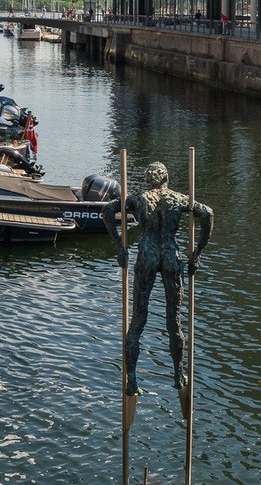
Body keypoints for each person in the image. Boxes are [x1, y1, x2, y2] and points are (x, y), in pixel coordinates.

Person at [104, 161, 214, 398]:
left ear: (147, 179)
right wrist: (197, 254)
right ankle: (178, 373)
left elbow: (107, 210)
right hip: (170, 254)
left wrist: (119, 247)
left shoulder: (138, 198)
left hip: (147, 253)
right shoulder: (179, 198)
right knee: (174, 319)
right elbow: (207, 213)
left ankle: (131, 379)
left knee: (138, 319)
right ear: (166, 179)